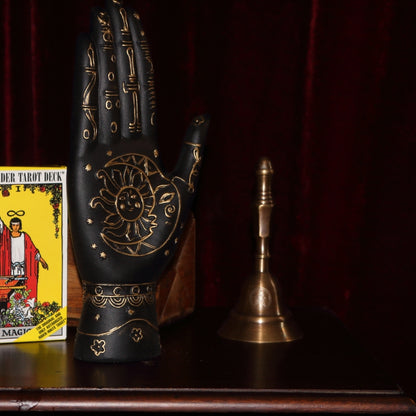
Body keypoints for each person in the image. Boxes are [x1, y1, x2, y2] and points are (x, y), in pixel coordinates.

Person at [0, 216, 48, 303]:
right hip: (12, 270)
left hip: (23, 269)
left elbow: (33, 251)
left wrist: (42, 261)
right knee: (12, 290)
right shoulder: (7, 237)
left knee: (24, 289)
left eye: (17, 225)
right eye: (14, 225)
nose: (15, 227)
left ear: (20, 226)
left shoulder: (24, 236)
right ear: (11, 226)